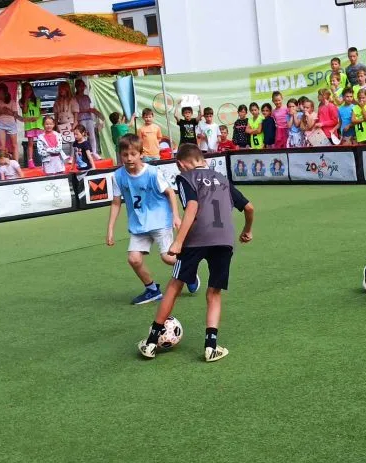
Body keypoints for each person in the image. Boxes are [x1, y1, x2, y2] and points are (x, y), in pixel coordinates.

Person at [137, 143, 255, 361]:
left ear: (180, 164)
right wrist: (247, 230)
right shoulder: (222, 179)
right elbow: (249, 207)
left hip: (197, 238)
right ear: (203, 160)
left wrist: (178, 242)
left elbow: (192, 207)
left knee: (175, 285)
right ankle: (211, 347)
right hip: (224, 240)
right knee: (214, 292)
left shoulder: (185, 177)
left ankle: (151, 342)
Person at [106, 134, 199, 306]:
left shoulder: (152, 173)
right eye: (125, 155)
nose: (129, 158)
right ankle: (152, 290)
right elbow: (116, 202)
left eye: (133, 154)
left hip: (160, 220)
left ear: (141, 154)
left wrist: (175, 216)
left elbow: (170, 193)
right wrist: (110, 229)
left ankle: (190, 271)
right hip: (138, 224)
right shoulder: (117, 176)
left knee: (168, 258)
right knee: (134, 259)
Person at [0, 84, 21, 165]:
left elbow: (15, 115)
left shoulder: (12, 102)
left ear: (2, 91)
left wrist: (7, 111)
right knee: (2, 145)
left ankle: (16, 164)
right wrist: (1, 111)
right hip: (0, 124)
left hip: (11, 123)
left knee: (14, 145)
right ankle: (3, 163)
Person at [74, 79, 102, 153]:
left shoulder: (86, 97)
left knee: (92, 136)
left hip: (89, 118)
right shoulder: (75, 98)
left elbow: (90, 107)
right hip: (81, 119)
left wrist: (91, 111)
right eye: (80, 86)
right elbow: (76, 110)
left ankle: (94, 152)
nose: (82, 88)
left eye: (83, 86)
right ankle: (85, 151)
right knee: (83, 136)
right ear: (77, 87)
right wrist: (87, 110)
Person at [21, 82, 43, 168]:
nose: (28, 91)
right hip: (29, 125)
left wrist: (39, 116)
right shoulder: (21, 101)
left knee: (42, 141)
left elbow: (39, 111)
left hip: (38, 124)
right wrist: (26, 99)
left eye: (29, 89)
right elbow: (25, 111)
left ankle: (44, 158)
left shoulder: (37, 100)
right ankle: (30, 161)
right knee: (30, 143)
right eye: (26, 90)